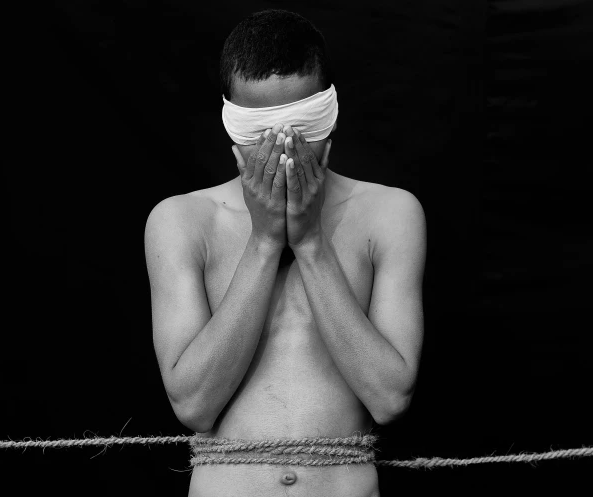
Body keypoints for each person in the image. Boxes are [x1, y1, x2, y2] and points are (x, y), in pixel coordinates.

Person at [144, 9, 426, 496]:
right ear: (232, 124)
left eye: (302, 124)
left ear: (331, 112)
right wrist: (265, 240)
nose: (285, 148)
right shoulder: (182, 221)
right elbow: (193, 404)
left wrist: (312, 243)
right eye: (262, 130)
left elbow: (389, 396)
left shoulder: (390, 214)